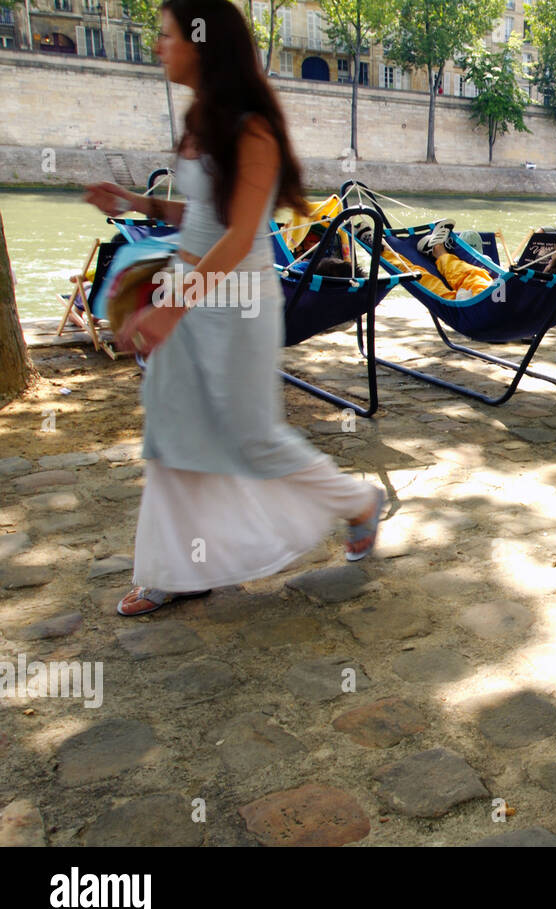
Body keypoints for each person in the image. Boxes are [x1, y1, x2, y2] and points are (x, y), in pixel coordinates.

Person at [83, 0, 385, 616]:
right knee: (173, 434)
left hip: (236, 303)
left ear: (203, 42)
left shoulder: (252, 129)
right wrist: (137, 203)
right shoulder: (200, 119)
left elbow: (241, 235)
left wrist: (169, 310)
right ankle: (178, 570)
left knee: (251, 438)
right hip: (186, 289)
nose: (158, 44)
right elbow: (200, 217)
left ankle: (356, 500)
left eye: (167, 34)